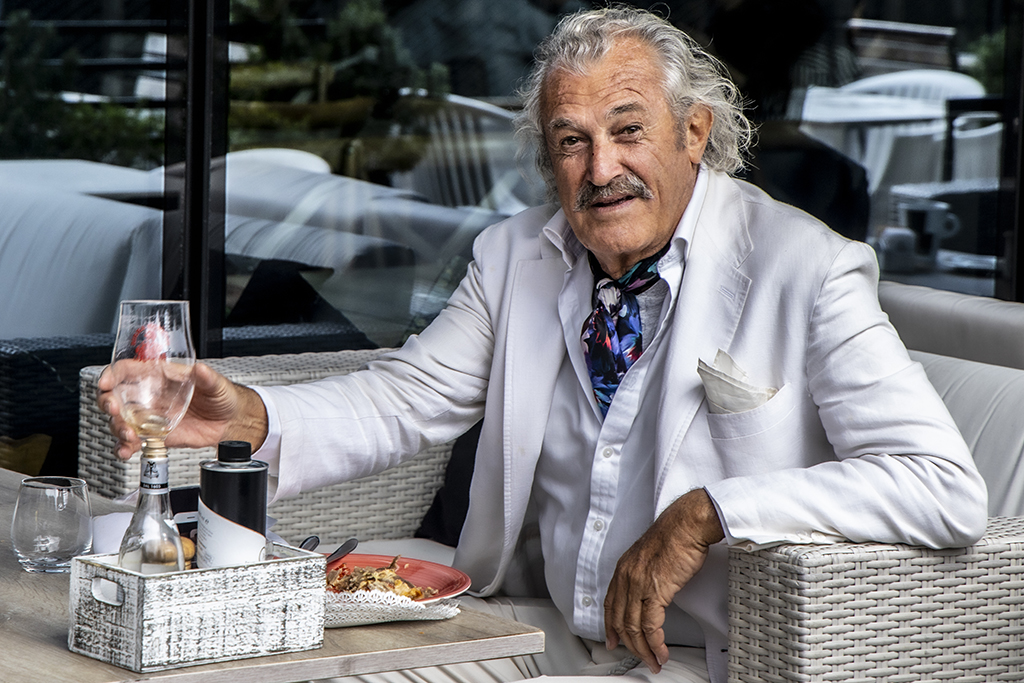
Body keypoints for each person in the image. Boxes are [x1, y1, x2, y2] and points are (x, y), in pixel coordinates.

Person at [99, 7, 987, 683]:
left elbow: (944, 487)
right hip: (533, 627)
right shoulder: (517, 255)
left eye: (628, 130)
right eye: (572, 142)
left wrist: (708, 511)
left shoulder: (808, 269)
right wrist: (249, 414)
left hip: (701, 656)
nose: (601, 170)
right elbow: (405, 399)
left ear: (694, 133)